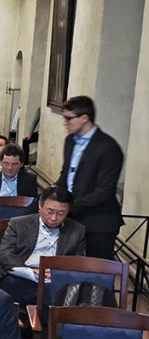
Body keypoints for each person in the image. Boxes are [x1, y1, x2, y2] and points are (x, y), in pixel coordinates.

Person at [55, 95, 124, 260]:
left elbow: (104, 191)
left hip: (99, 222)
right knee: (67, 267)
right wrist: (51, 195)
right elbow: (66, 175)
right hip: (72, 218)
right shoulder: (70, 141)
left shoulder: (108, 147)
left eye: (68, 118)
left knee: (95, 276)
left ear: (84, 118)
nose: (65, 122)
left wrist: (69, 206)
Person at [0, 187, 86, 306]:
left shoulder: (77, 230)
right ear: (40, 205)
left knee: (70, 292)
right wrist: (31, 271)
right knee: (12, 284)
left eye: (61, 213)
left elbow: (78, 262)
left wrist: (56, 273)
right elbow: (5, 254)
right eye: (50, 211)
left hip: (56, 279)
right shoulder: (19, 224)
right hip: (26, 275)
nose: (54, 218)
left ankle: (41, 320)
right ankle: (46, 318)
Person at [0, 143, 38, 212]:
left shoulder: (29, 180)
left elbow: (33, 205)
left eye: (15, 164)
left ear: (21, 164)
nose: (10, 168)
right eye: (6, 163)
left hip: (20, 217)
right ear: (1, 162)